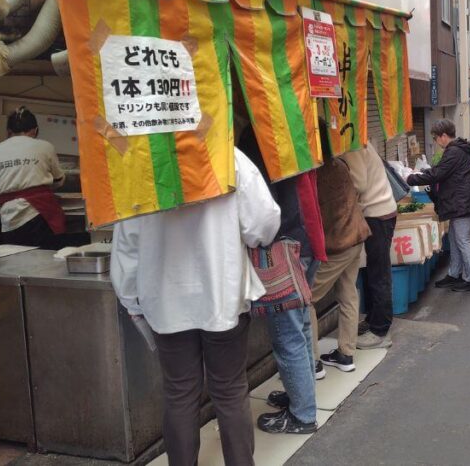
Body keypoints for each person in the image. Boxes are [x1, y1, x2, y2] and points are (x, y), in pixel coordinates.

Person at [110, 147, 281, 466]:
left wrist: (130, 297)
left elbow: (126, 244)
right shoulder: (225, 153)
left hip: (165, 301)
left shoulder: (140, 159)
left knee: (179, 393)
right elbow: (264, 223)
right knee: (230, 391)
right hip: (223, 296)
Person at [237, 131, 320, 435]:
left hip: (280, 251)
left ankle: (302, 415)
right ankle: (302, 397)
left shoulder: (253, 141)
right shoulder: (290, 135)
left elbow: (261, 217)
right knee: (300, 330)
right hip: (304, 241)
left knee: (288, 337)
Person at [310, 121, 371, 375]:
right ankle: (346, 354)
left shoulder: (313, 175)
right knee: (348, 294)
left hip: (338, 244)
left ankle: (312, 363)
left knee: (305, 300)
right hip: (356, 236)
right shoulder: (340, 164)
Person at [407, 119, 470, 292]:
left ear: (443, 136)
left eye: (435, 138)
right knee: (455, 240)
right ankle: (454, 274)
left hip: (462, 203)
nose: (436, 141)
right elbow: (441, 171)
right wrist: (424, 172)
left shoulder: (454, 152)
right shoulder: (458, 149)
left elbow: (438, 174)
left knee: (462, 240)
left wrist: (411, 178)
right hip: (460, 201)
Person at [0, 107, 67, 249]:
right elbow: (58, 179)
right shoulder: (45, 146)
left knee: (17, 257)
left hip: (10, 217)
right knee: (46, 257)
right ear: (35, 130)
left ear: (9, 131)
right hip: (41, 213)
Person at [343, 145, 397, 350]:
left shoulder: (351, 145)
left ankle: (381, 331)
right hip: (379, 212)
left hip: (377, 214)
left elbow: (358, 183)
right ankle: (373, 320)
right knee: (372, 271)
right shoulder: (357, 140)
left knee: (378, 273)